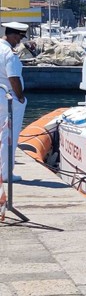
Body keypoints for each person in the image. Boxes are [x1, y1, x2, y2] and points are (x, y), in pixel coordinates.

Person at [0, 22, 29, 182]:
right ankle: (5, 173)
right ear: (13, 35)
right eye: (18, 37)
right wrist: (20, 97)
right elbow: (13, 78)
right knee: (8, 135)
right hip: (8, 97)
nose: (19, 41)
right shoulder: (9, 53)